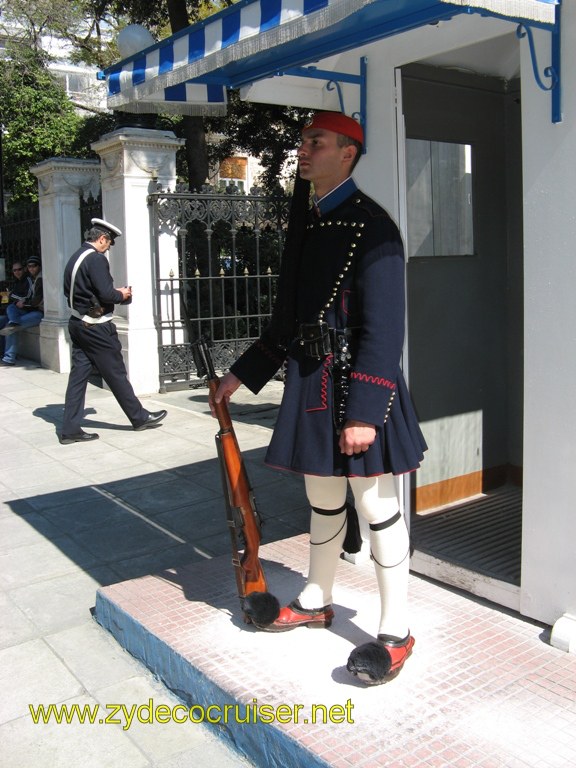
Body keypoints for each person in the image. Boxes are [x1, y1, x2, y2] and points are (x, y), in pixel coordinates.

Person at [212, 112, 427, 685]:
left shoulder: (374, 226)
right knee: (323, 502)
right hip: (312, 378)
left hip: (359, 386)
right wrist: (242, 374)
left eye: (316, 142)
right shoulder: (310, 220)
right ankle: (315, 598)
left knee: (377, 510)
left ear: (347, 154)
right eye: (303, 142)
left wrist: (364, 414)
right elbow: (287, 318)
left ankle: (395, 630)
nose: (303, 152)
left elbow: (384, 330)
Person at [60, 218, 166, 444]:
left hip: (78, 323)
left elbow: (78, 290)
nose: (108, 248)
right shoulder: (96, 259)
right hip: (96, 327)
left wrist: (107, 294)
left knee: (78, 377)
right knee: (116, 373)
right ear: (101, 239)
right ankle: (139, 417)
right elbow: (107, 295)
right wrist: (123, 294)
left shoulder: (76, 257)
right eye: (108, 243)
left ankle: (69, 429)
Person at [0, 257, 44, 366]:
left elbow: (35, 302)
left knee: (10, 327)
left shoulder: (39, 279)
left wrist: (20, 300)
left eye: (34, 266)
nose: (31, 269)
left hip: (39, 313)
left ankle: (9, 358)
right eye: (29, 266)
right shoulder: (28, 280)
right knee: (8, 315)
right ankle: (3, 353)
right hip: (23, 311)